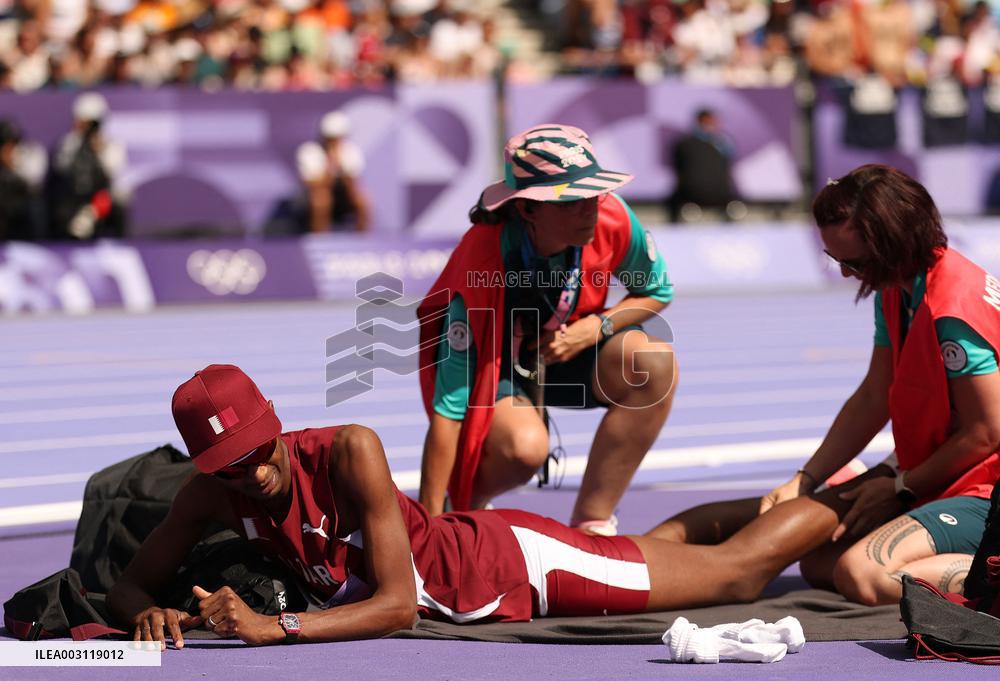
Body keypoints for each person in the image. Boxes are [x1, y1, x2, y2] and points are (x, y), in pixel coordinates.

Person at [108, 363, 899, 648]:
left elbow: (396, 606)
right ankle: (772, 502)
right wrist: (151, 611)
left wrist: (272, 626)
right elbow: (129, 585)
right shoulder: (210, 494)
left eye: (260, 450)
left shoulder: (348, 449)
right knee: (661, 553)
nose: (252, 473)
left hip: (509, 565)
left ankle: (860, 488)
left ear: (277, 422)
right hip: (490, 560)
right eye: (230, 465)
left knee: (733, 576)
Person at [656, 164, 1000, 605]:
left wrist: (901, 487)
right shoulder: (898, 288)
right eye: (836, 261)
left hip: (987, 491)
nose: (846, 275)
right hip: (940, 474)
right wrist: (806, 478)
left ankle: (992, 570)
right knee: (819, 562)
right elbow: (873, 396)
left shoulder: (953, 310)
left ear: (895, 244)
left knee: (864, 573)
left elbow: (986, 433)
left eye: (855, 263)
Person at [416, 124, 676, 535]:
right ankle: (461, 508)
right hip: (494, 368)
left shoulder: (612, 217)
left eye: (593, 193)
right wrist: (426, 527)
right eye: (570, 201)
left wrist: (596, 327)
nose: (589, 209)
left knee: (653, 363)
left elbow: (657, 291)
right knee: (525, 448)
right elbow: (449, 409)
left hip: (567, 350)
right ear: (528, 209)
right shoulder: (483, 259)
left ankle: (592, 523)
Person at [48, 92, 127, 240]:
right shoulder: (69, 142)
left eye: (88, 123)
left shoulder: (111, 145)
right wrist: (77, 144)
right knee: (60, 209)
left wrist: (100, 150)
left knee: (117, 202)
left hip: (99, 199)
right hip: (74, 197)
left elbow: (113, 170)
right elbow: (61, 165)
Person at [295, 111, 371, 233]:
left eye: (338, 138)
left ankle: (362, 238)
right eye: (331, 138)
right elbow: (314, 185)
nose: (334, 142)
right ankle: (319, 239)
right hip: (315, 196)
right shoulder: (310, 151)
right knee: (321, 199)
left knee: (362, 200)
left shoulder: (350, 151)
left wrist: (341, 166)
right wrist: (331, 164)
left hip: (344, 196)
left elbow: (352, 186)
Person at [666, 108, 741, 223]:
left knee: (673, 202)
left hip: (693, 193)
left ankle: (673, 230)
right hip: (720, 194)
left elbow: (678, 169)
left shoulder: (683, 143)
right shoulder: (723, 143)